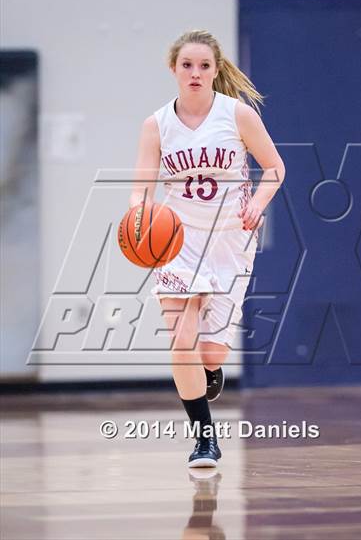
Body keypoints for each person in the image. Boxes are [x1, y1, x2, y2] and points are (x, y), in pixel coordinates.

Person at [130, 30, 285, 468]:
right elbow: (141, 190)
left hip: (230, 238)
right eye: (187, 66)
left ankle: (209, 370)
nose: (195, 73)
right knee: (182, 341)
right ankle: (204, 440)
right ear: (173, 70)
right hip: (177, 239)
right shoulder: (156, 124)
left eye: (203, 66)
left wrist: (256, 203)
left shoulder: (236, 115)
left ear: (216, 71)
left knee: (209, 354)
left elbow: (274, 168)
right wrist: (139, 218)